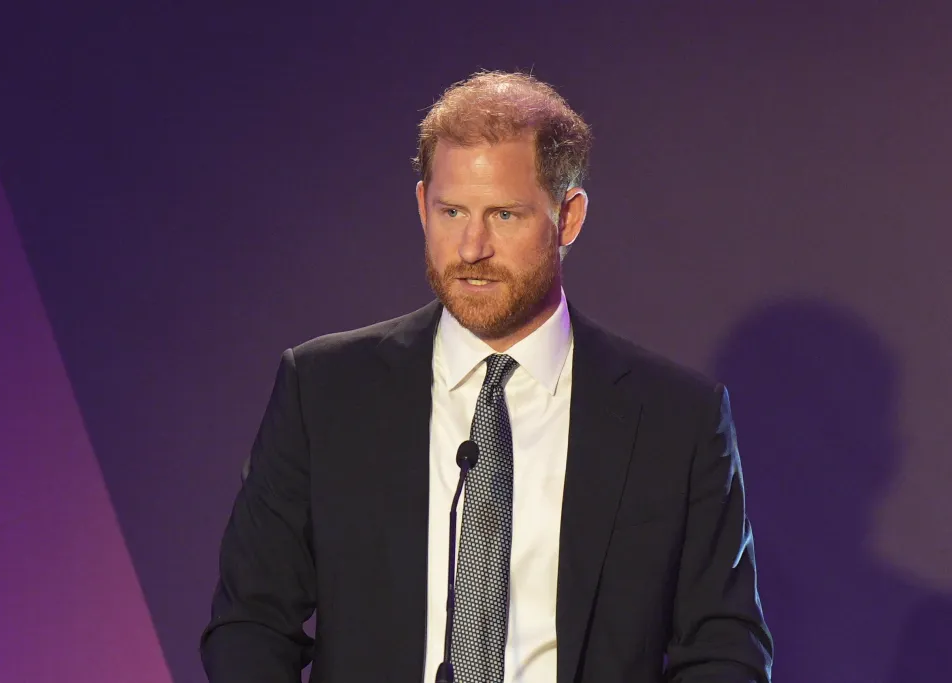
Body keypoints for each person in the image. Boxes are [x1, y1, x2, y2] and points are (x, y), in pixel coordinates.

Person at [200, 70, 773, 683]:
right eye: (451, 212)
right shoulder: (324, 391)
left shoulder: (675, 419)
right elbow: (250, 624)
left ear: (568, 217)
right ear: (422, 205)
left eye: (504, 214)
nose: (471, 248)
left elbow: (723, 648)